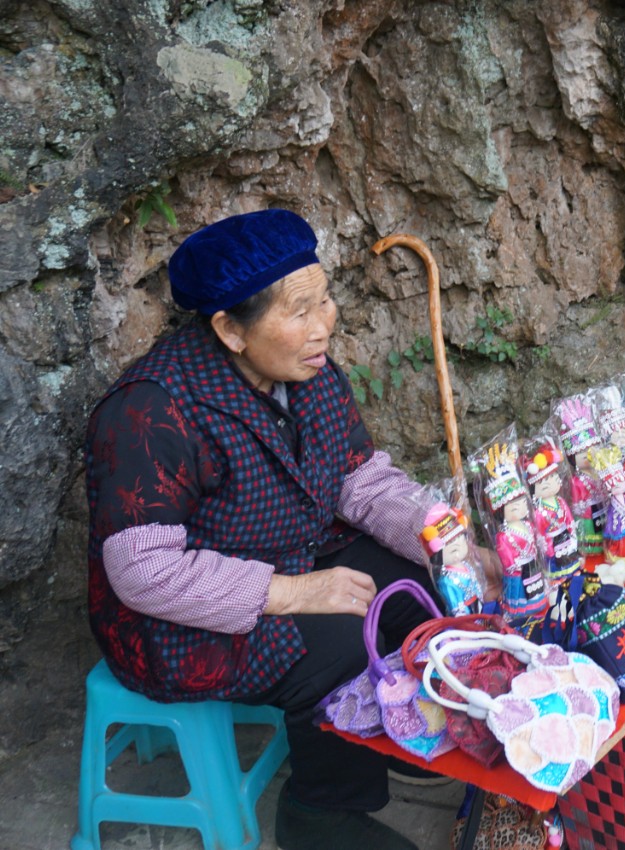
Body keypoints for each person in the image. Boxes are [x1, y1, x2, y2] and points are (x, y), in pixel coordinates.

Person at [85, 208, 444, 850]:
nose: (325, 322)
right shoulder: (151, 409)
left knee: (423, 579)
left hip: (290, 550)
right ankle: (320, 812)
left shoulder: (307, 371)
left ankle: (391, 729)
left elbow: (357, 480)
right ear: (229, 328)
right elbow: (145, 573)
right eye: (300, 310)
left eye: (325, 297)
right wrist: (300, 593)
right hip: (175, 612)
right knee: (339, 644)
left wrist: (444, 536)